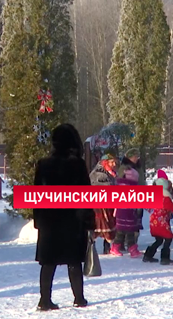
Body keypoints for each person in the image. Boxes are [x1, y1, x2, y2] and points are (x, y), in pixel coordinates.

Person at [33, 124, 95, 310]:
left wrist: (39, 221)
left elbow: (37, 195)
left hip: (49, 221)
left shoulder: (43, 164)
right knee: (74, 260)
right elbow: (85, 195)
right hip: (72, 220)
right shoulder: (77, 164)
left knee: (48, 262)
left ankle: (44, 300)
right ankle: (79, 298)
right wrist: (88, 220)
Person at [144, 170, 173, 264]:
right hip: (161, 222)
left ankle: (148, 255)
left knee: (159, 240)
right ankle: (165, 258)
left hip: (154, 221)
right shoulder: (165, 198)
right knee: (167, 239)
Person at [89, 153, 117, 254]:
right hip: (99, 205)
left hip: (108, 203)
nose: (114, 164)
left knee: (108, 224)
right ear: (106, 162)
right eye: (112, 162)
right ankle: (91, 247)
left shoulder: (110, 172)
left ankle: (107, 246)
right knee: (98, 225)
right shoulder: (98, 173)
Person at [112, 176, 142, 258]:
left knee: (122, 232)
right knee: (128, 233)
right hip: (128, 215)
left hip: (122, 215)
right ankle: (131, 249)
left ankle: (117, 247)